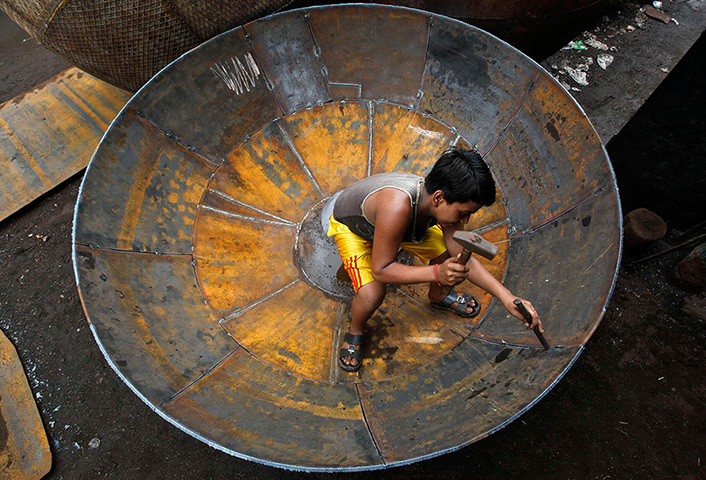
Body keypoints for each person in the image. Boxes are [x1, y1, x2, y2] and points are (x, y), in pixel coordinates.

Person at [327, 147, 543, 372]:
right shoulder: (397, 207)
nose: (465, 220)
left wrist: (507, 298)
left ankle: (438, 295)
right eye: (462, 214)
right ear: (439, 197)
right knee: (372, 294)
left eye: (469, 214)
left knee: (449, 257)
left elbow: (461, 257)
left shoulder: (441, 202)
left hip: (397, 227)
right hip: (356, 228)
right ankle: (356, 330)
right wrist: (436, 273)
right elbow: (381, 270)